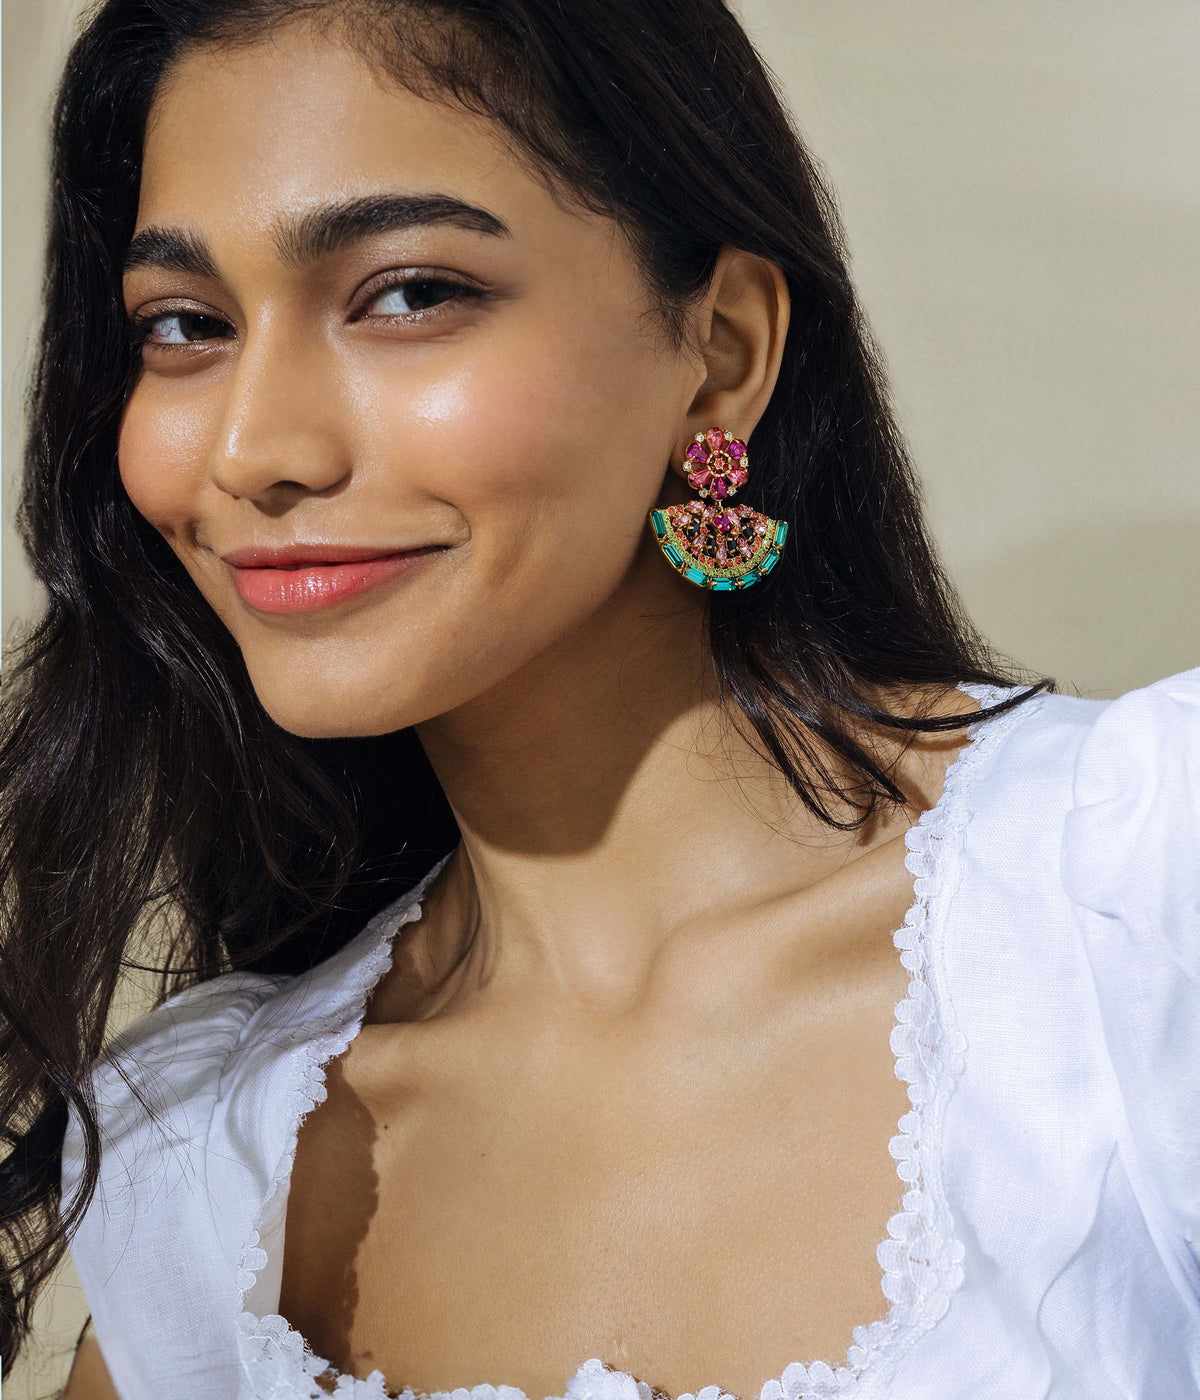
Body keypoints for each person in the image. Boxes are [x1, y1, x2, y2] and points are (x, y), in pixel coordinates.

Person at [0, 2, 1195, 1398]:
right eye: (187, 325)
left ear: (724, 353)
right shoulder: (210, 1170)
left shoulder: (1137, 906)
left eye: (407, 294)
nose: (258, 450)